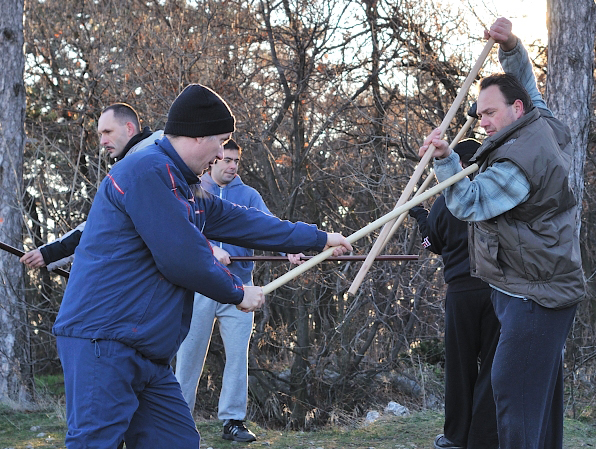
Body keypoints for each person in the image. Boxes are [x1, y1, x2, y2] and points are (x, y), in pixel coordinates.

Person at [52, 83, 352, 448]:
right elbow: (183, 258)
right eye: (221, 141)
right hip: (104, 341)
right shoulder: (149, 172)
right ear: (197, 137)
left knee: (177, 441)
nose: (222, 154)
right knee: (95, 444)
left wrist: (318, 238)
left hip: (145, 350)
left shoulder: (182, 183)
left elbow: (244, 220)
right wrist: (237, 292)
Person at [418, 18, 586, 449]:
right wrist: (510, 46)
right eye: (479, 114)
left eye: (490, 113)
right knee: (536, 403)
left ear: (516, 110)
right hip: (535, 289)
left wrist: (445, 159)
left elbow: (470, 203)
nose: (482, 122)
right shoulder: (537, 124)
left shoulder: (520, 161)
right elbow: (526, 83)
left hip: (534, 296)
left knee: (513, 400)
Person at [175, 139, 288, 442]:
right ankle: (178, 420)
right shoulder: (193, 190)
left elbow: (269, 227)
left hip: (241, 288)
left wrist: (293, 248)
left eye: (236, 161)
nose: (232, 165)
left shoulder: (248, 195)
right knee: (189, 354)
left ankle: (233, 422)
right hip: (200, 287)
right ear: (212, 161)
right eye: (226, 159)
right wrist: (210, 249)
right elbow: (183, 230)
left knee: (238, 357)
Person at [409, 139, 500, 449]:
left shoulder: (445, 201)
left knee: (460, 366)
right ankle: (485, 437)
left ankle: (457, 435)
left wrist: (419, 216)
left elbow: (431, 243)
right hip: (495, 291)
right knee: (491, 365)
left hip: (462, 293)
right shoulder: (494, 194)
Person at [20, 103, 163, 270]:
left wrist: (49, 254)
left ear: (129, 129)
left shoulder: (141, 167)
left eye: (108, 132)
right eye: (101, 134)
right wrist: (48, 253)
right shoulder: (152, 156)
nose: (102, 141)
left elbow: (102, 226)